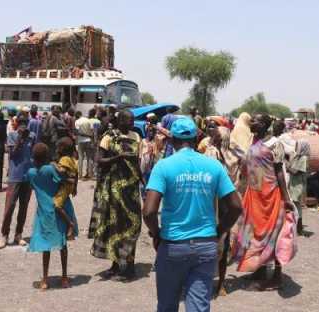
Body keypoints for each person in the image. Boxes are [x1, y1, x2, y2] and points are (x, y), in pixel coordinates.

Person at [143, 117, 243, 312]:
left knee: (167, 305)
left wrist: (156, 234)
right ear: (197, 138)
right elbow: (236, 207)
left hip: (172, 245)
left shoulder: (163, 166)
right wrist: (219, 231)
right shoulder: (213, 166)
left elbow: (148, 211)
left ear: (172, 139)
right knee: (198, 307)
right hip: (205, 246)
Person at [233, 114, 296, 291]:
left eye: (256, 121)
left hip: (270, 197)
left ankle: (276, 276)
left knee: (274, 234)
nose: (251, 123)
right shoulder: (254, 141)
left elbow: (279, 173)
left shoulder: (274, 144)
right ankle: (259, 270)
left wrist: (286, 199)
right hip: (254, 196)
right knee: (253, 234)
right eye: (252, 120)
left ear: (264, 125)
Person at [90, 110, 143, 280]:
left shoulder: (136, 136)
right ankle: (115, 265)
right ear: (120, 121)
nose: (132, 122)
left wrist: (144, 183)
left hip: (131, 190)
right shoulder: (108, 137)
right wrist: (118, 157)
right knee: (115, 226)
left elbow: (137, 162)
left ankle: (130, 265)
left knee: (133, 225)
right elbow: (99, 160)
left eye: (133, 120)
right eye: (129, 120)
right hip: (113, 190)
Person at [27, 143, 78, 290]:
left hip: (43, 212)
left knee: (45, 246)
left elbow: (31, 185)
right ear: (47, 156)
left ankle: (44, 278)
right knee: (63, 245)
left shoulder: (31, 172)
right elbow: (63, 179)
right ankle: (64, 277)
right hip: (59, 210)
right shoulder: (50, 169)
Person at [0, 118, 34, 248]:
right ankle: (4, 235)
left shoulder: (32, 136)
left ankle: (18, 234)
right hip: (14, 176)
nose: (24, 126)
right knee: (9, 207)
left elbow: (33, 154)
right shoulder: (12, 135)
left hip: (27, 176)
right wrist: (20, 139)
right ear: (17, 125)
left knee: (23, 207)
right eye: (21, 123)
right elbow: (12, 154)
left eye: (26, 123)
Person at [52, 137, 78, 238]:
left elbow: (61, 171)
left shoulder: (64, 159)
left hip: (65, 186)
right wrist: (75, 187)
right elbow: (76, 174)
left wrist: (54, 165)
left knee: (57, 205)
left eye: (58, 147)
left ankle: (70, 223)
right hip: (70, 185)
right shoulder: (72, 158)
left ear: (62, 148)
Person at [288, 140, 311, 236]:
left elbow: (295, 171)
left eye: (298, 146)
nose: (296, 147)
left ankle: (299, 228)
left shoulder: (304, 158)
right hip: (294, 185)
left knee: (297, 207)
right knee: (295, 206)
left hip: (298, 186)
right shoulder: (299, 157)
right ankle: (297, 228)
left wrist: (286, 166)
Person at [75, 110, 94, 179]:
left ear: (77, 115)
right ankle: (89, 174)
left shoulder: (77, 121)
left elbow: (77, 132)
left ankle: (80, 175)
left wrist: (84, 135)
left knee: (81, 158)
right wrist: (90, 137)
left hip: (81, 141)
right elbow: (92, 130)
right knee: (89, 158)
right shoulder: (88, 120)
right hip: (88, 141)